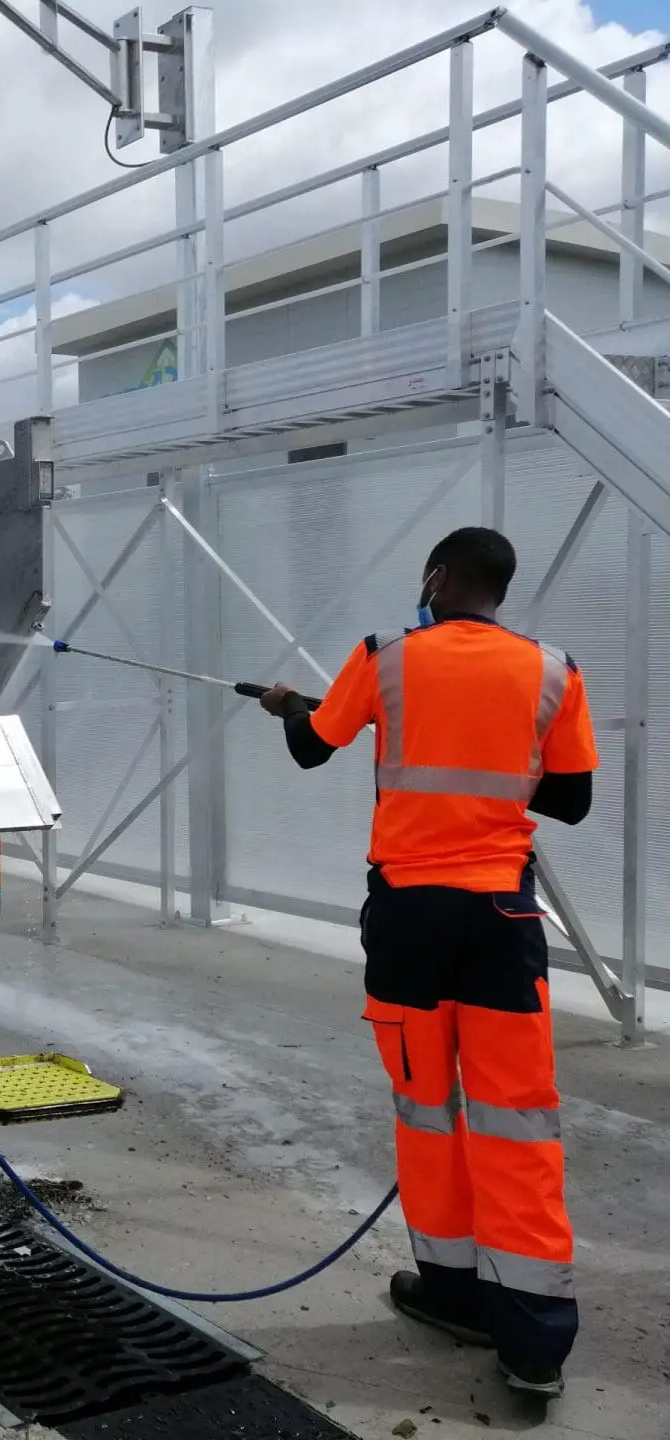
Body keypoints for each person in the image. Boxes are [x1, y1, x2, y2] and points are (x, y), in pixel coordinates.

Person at [258, 526, 596, 1401]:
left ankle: (451, 1291)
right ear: (501, 591)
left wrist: (291, 705)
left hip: (409, 919)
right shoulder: (554, 670)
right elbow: (572, 800)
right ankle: (533, 1341)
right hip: (502, 919)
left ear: (437, 577)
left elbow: (312, 746)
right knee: (516, 1118)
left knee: (427, 1109)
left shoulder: (386, 656)